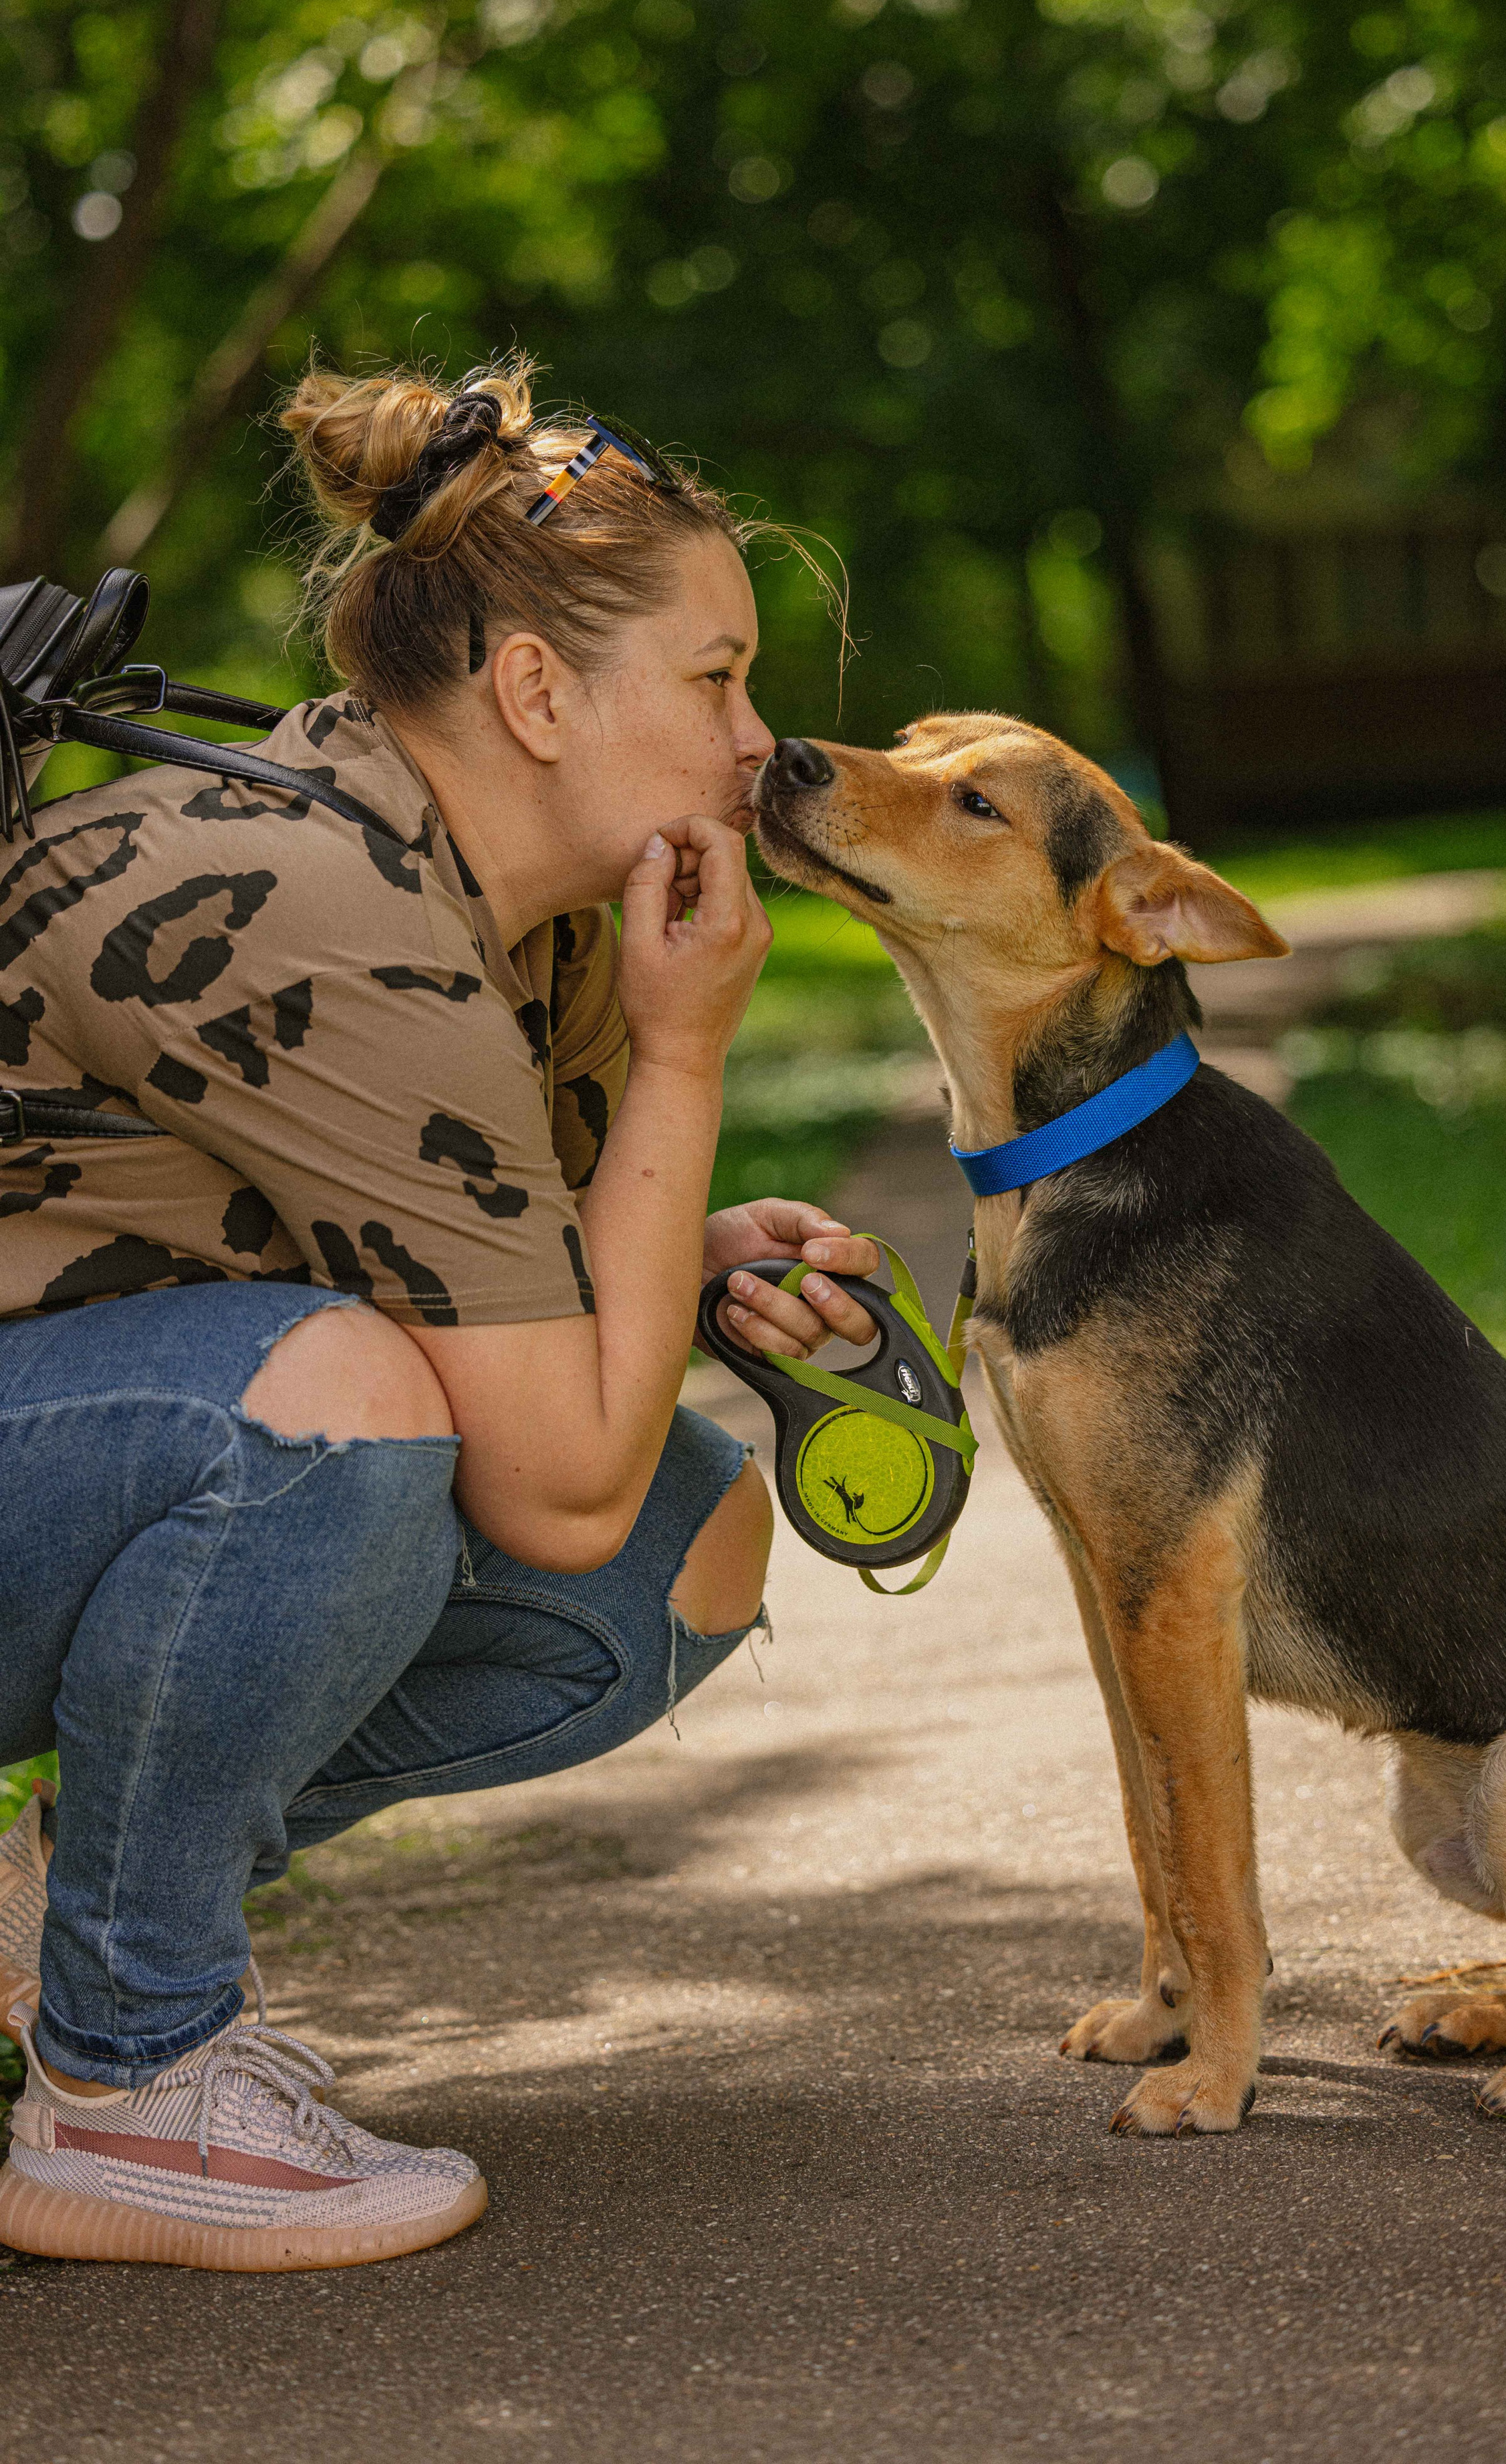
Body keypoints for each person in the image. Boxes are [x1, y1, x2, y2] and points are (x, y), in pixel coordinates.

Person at [0, 362, 878, 2271]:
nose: (759, 744)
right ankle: (129, 2089)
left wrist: (685, 1243)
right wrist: (681, 1065)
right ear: (538, 692)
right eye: (718, 679)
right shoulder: (312, 891)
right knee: (336, 1407)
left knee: (684, 1543)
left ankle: (70, 1913)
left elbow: (535, 1361)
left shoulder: (504, 893)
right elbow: (544, 1472)